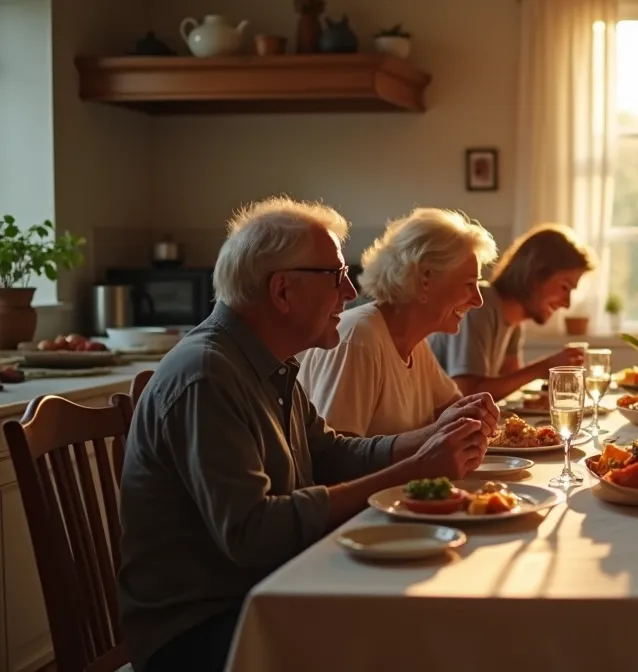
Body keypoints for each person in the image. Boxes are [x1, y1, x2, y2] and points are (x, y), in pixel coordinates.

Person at [117, 197, 498, 672]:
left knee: (432, 606)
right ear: (282, 291)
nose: (350, 291)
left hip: (271, 586)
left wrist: (430, 441)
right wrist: (413, 471)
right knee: (419, 634)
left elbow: (330, 452)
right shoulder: (207, 375)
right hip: (201, 629)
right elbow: (253, 533)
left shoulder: (267, 363)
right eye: (336, 276)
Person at [298, 207, 499, 436]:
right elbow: (337, 454)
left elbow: (452, 410)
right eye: (469, 284)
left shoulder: (414, 343)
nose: (478, 300)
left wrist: (477, 413)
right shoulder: (359, 338)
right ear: (425, 279)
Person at [430, 223, 595, 401]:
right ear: (535, 275)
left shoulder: (514, 322)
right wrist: (545, 367)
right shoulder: (479, 306)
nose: (567, 304)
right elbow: (469, 393)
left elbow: (510, 386)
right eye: (564, 287)